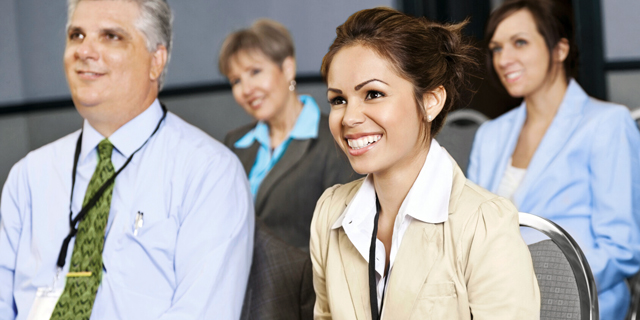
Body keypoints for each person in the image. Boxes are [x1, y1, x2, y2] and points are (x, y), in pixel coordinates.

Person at [0, 0, 254, 319]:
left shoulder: (209, 173)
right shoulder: (29, 176)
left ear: (156, 61)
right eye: (76, 35)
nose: (85, 50)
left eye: (111, 36)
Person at [310, 7, 540, 319]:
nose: (349, 117)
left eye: (373, 94)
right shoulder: (330, 213)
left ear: (430, 101)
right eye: (338, 100)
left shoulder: (485, 225)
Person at [467, 0, 640, 319]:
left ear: (560, 49)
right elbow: (472, 233)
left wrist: (540, 289)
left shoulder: (607, 124)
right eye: (496, 48)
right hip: (495, 302)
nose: (504, 59)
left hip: (578, 300)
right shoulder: (490, 135)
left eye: (520, 42)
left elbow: (621, 249)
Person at [219, 19, 358, 250]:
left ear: (287, 68)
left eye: (255, 71)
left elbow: (342, 237)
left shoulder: (334, 140)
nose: (246, 89)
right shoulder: (234, 143)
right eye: (236, 80)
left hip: (303, 283)